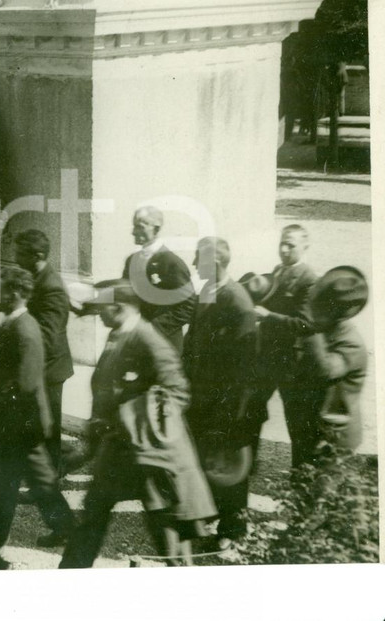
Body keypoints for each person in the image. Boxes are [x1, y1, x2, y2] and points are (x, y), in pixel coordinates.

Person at [60, 279, 215, 569]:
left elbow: (178, 391)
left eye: (101, 306)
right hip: (117, 448)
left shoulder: (148, 339)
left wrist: (144, 424)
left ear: (118, 307)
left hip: (149, 454)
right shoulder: (117, 334)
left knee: (165, 526)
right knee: (94, 513)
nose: (97, 312)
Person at [0, 267, 75, 552]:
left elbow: (26, 384)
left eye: (0, 289)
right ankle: (68, 530)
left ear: (14, 293)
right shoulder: (14, 325)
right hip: (25, 422)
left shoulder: (24, 329)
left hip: (21, 422)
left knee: (2, 482)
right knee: (40, 482)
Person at [183, 237, 259, 544]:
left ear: (214, 264)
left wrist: (232, 413)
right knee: (205, 459)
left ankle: (233, 529)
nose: (192, 264)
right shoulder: (207, 290)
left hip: (225, 402)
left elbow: (245, 365)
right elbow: (193, 341)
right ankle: (209, 515)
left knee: (229, 466)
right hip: (200, 395)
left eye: (197, 259)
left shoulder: (237, 302)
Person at [253, 224, 319, 468]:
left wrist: (267, 316)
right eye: (282, 243)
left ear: (305, 246)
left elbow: (306, 324)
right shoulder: (277, 271)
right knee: (252, 409)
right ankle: (244, 467)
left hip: (292, 361)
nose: (284, 249)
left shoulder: (309, 279)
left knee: (298, 422)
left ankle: (301, 477)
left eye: (290, 245)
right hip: (267, 356)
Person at [295, 266, 368, 464]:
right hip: (312, 429)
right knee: (301, 487)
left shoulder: (350, 343)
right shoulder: (327, 330)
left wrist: (309, 329)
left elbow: (324, 371)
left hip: (335, 439)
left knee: (323, 491)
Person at [14, 229, 73, 470]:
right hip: (40, 364)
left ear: (37, 255)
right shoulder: (34, 278)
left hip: (49, 368)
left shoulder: (51, 287)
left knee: (48, 427)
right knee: (37, 422)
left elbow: (49, 335)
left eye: (20, 254)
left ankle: (51, 479)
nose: (16, 258)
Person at [122, 205, 195, 351]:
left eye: (140, 227)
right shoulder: (132, 260)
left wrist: (154, 327)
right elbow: (124, 293)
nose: (133, 232)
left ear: (155, 229)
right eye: (134, 227)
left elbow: (189, 304)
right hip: (138, 342)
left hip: (165, 344)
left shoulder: (171, 263)